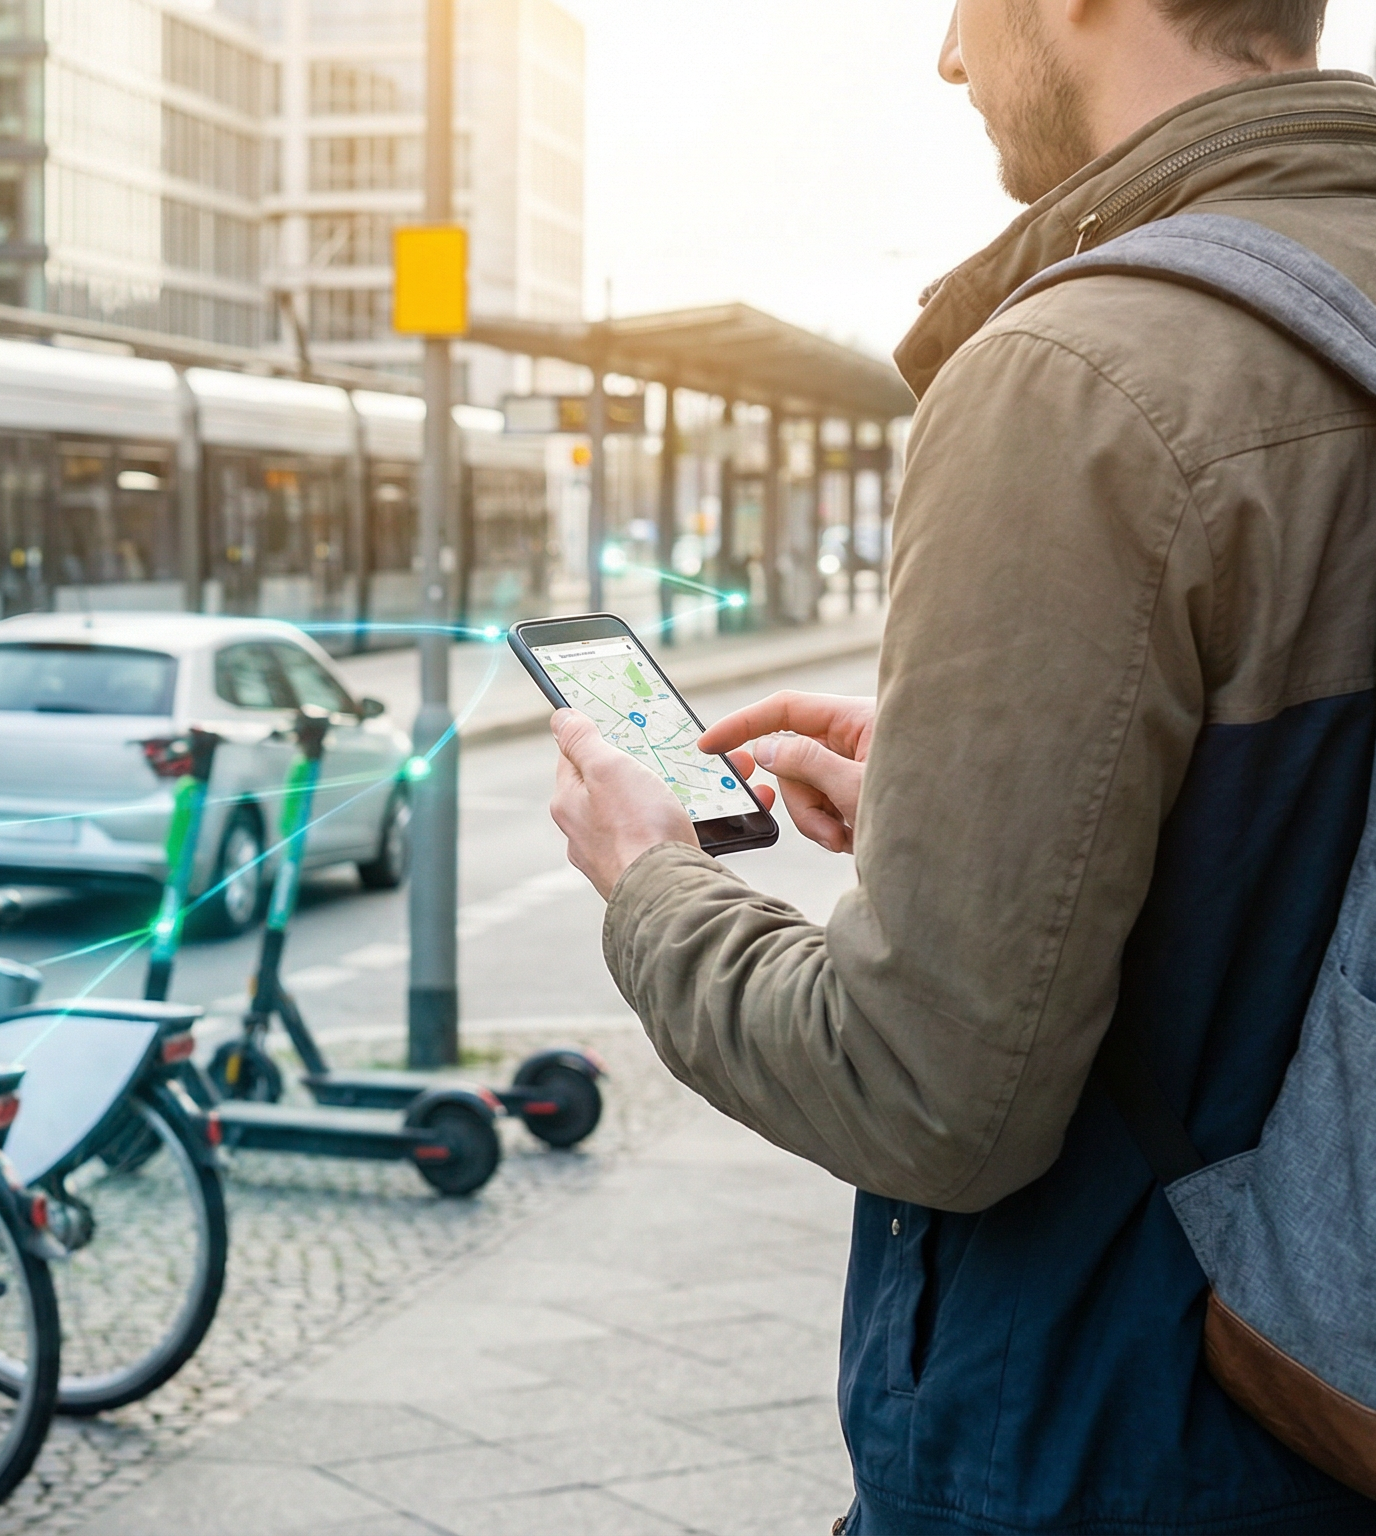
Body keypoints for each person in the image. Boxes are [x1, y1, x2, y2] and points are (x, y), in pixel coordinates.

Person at [548, 3, 1376, 1532]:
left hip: (1128, 1439)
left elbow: (931, 1100)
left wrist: (648, 880)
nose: (945, 57)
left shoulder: (1080, 374)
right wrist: (977, 812)